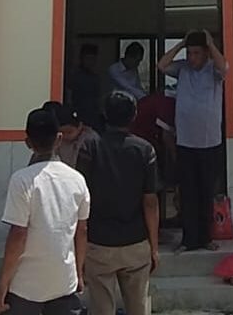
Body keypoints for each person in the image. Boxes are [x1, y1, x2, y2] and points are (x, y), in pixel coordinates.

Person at [0, 107, 91, 315]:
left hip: (26, 284)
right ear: (59, 139)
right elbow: (81, 231)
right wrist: (79, 272)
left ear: (28, 142)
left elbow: (18, 235)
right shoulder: (77, 180)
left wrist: (3, 284)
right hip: (64, 279)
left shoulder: (22, 181)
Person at [82, 92, 161, 315]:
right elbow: (150, 202)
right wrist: (154, 247)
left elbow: (80, 197)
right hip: (135, 243)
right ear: (134, 115)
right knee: (138, 306)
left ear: (105, 115)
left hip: (98, 242)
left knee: (101, 307)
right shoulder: (145, 150)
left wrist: (78, 243)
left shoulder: (90, 147)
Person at [158, 30, 226, 252]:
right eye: (189, 53)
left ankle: (206, 238)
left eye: (196, 53)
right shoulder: (182, 69)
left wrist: (211, 44)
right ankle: (188, 240)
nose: (192, 57)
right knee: (187, 193)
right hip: (185, 142)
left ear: (206, 53)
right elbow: (161, 65)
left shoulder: (214, 70)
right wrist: (180, 45)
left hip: (209, 143)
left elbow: (224, 66)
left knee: (206, 192)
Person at [44, 100, 100, 171]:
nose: (65, 136)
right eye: (61, 132)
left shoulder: (90, 140)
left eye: (69, 132)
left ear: (80, 126)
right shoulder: (57, 141)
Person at [68, 44, 105, 130]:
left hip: (93, 116)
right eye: (88, 58)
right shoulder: (74, 76)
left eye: (93, 59)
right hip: (78, 115)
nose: (91, 62)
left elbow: (98, 98)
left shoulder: (95, 78)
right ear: (82, 58)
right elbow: (69, 96)